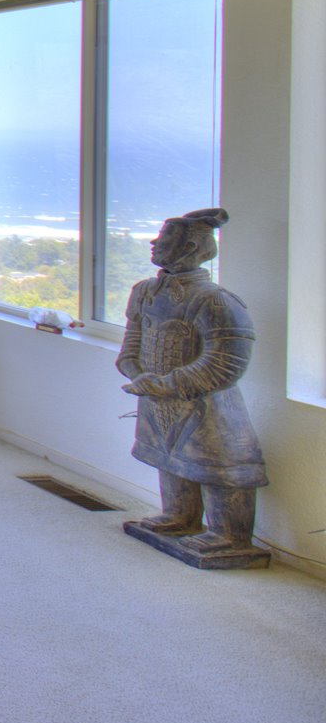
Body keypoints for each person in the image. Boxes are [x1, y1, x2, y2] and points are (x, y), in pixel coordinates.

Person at [115, 207, 266, 558]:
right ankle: (180, 514)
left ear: (190, 247)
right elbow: (131, 347)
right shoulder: (144, 292)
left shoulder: (215, 300)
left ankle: (229, 534)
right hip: (157, 395)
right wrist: (140, 377)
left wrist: (169, 384)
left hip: (206, 403)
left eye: (165, 238)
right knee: (172, 456)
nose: (155, 242)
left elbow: (226, 363)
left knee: (218, 465)